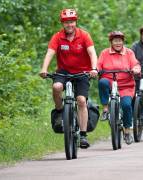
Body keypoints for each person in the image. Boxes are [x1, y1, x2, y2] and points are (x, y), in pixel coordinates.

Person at [39, 9, 98, 149]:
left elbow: (92, 53)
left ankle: (83, 135)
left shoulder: (84, 35)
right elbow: (50, 53)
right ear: (63, 23)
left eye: (71, 21)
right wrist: (44, 69)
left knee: (81, 101)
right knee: (56, 87)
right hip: (64, 72)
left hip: (82, 72)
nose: (69, 25)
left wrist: (94, 69)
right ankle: (59, 111)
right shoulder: (57, 37)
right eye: (66, 22)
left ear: (75, 22)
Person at [98, 31, 141, 145]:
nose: (118, 43)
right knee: (102, 82)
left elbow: (135, 64)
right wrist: (95, 70)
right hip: (110, 82)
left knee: (127, 105)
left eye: (120, 40)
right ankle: (106, 109)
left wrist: (136, 69)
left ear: (123, 41)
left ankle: (127, 131)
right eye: (115, 40)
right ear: (111, 42)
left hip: (126, 85)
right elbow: (98, 65)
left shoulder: (129, 53)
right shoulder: (104, 53)